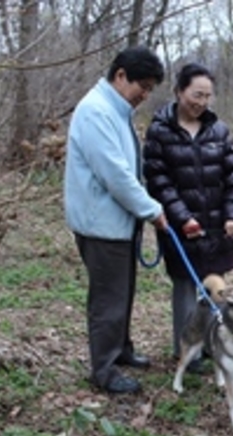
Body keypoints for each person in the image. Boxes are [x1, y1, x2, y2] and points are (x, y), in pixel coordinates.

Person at [64, 46, 168, 394]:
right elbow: (116, 175)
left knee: (123, 293)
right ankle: (104, 370)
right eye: (144, 85)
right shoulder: (96, 111)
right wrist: (153, 211)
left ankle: (121, 350)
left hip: (118, 224)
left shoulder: (115, 110)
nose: (145, 94)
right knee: (108, 300)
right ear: (120, 75)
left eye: (151, 88)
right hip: (101, 226)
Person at [143, 62, 233, 367]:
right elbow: (158, 181)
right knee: (186, 287)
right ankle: (188, 351)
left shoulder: (219, 130)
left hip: (217, 227)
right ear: (179, 91)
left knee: (216, 286)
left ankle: (216, 344)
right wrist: (182, 217)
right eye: (196, 94)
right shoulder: (159, 130)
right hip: (180, 227)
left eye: (207, 96)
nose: (201, 102)